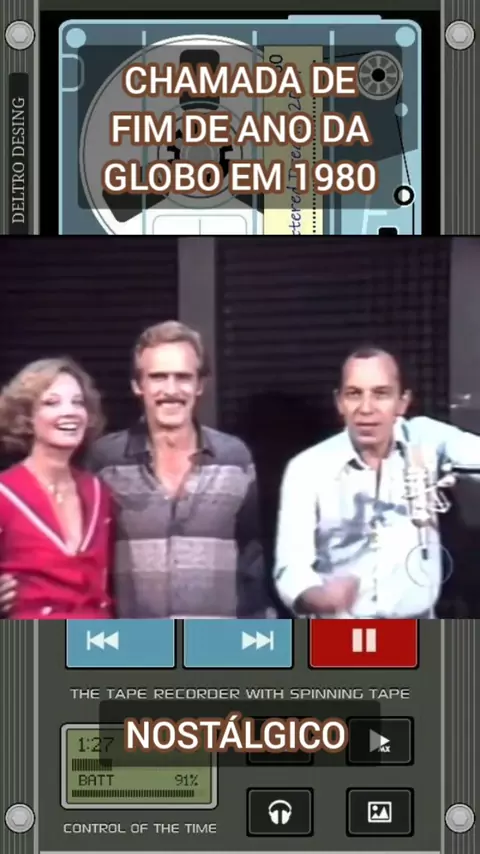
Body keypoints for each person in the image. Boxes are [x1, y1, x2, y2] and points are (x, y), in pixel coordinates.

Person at [274, 345, 480, 619]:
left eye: (381, 394)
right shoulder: (307, 468)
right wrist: (319, 598)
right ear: (339, 402)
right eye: (354, 394)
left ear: (402, 402)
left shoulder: (425, 440)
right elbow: (291, 567)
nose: (366, 408)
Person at [0, 358, 113, 619]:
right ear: (27, 417)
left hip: (98, 640)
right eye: (52, 403)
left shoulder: (98, 492)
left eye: (78, 402)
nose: (70, 411)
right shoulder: (5, 494)